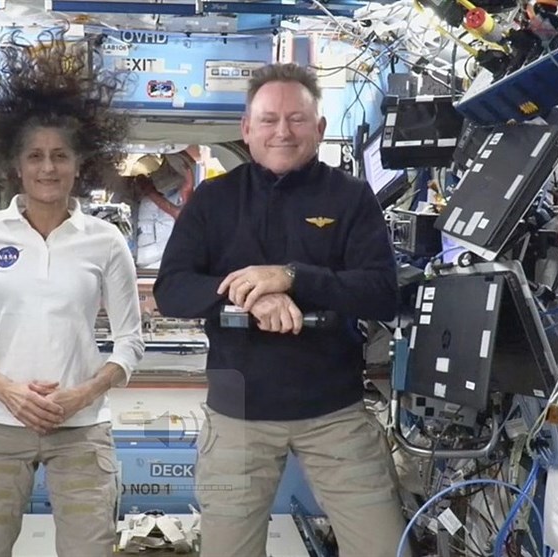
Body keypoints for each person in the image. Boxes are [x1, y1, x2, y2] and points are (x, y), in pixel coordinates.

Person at [153, 63, 410, 557]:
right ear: (247, 129)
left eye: (297, 119)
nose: (282, 132)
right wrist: (252, 294)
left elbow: (382, 293)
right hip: (237, 410)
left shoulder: (351, 197)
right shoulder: (213, 199)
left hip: (334, 410)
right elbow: (173, 289)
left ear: (320, 128)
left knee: (382, 547)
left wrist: (292, 276)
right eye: (268, 120)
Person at [0, 33, 144, 557]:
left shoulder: (105, 240)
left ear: (79, 163)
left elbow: (129, 344)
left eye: (59, 156)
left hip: (82, 428)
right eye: (35, 156)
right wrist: (6, 390)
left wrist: (81, 394)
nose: (47, 168)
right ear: (16, 164)